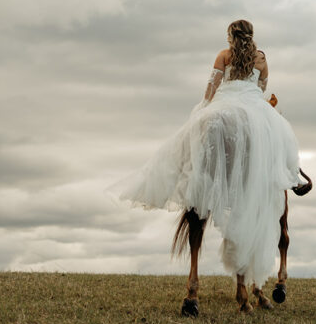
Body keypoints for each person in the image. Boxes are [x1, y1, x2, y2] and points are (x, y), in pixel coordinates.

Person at [110, 19, 304, 289]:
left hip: (223, 107)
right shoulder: (261, 60)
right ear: (252, 36)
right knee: (277, 135)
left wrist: (201, 110)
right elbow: (260, 92)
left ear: (230, 37)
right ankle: (290, 175)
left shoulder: (223, 56)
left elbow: (210, 91)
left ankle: (188, 174)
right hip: (253, 110)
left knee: (191, 137)